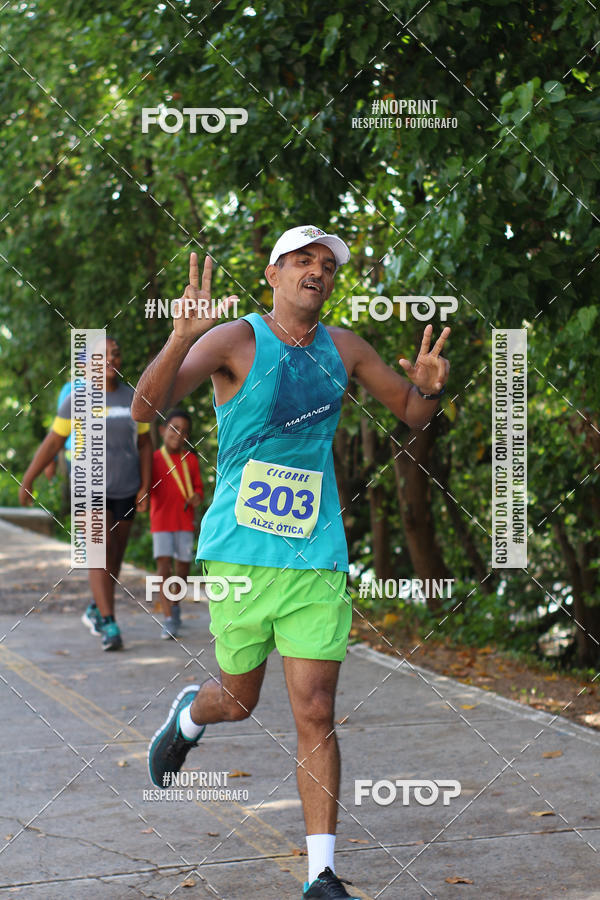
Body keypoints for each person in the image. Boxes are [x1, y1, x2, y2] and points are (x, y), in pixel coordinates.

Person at [132, 226, 450, 899]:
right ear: (273, 275)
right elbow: (145, 407)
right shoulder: (236, 341)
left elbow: (412, 415)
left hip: (315, 555)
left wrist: (426, 390)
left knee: (316, 708)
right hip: (241, 557)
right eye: (303, 260)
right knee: (239, 701)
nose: (318, 270)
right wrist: (181, 336)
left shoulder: (346, 349)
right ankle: (191, 716)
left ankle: (321, 875)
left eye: (327, 264)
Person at [19, 336, 152, 651]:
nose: (110, 359)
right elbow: (53, 441)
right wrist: (29, 477)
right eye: (100, 355)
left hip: (126, 488)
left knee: (115, 556)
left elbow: (145, 444)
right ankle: (110, 623)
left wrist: (146, 485)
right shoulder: (75, 400)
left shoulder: (134, 398)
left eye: (115, 353)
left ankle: (96, 608)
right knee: (98, 552)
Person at [150, 408, 204, 639]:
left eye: (183, 431)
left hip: (184, 520)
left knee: (181, 569)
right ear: (163, 430)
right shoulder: (153, 459)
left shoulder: (190, 460)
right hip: (161, 521)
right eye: (174, 428)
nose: (178, 434)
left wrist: (197, 497)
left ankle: (175, 604)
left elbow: (199, 489)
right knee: (163, 568)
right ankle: (170, 618)